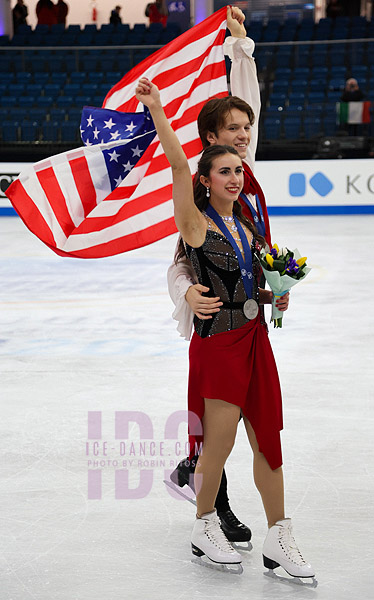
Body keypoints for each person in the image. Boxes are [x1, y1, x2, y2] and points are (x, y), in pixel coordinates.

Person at [135, 74, 315, 579]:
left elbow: (255, 281)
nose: (236, 177)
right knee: (219, 444)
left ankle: (280, 535)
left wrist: (275, 292)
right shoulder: (196, 226)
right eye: (225, 172)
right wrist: (157, 111)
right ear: (206, 179)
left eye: (239, 170)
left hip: (256, 339)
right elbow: (176, 163)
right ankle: (204, 523)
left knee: (268, 439)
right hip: (218, 344)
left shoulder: (248, 226)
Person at [167, 7, 276, 547]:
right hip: (214, 323)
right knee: (219, 428)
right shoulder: (205, 191)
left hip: (248, 320)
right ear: (212, 138)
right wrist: (186, 290)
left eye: (246, 131)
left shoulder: (240, 180)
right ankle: (216, 510)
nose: (244, 136)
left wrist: (241, 47)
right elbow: (179, 262)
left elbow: (247, 106)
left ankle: (211, 497)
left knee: (242, 422)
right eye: (233, 132)